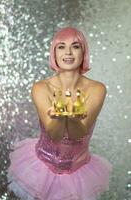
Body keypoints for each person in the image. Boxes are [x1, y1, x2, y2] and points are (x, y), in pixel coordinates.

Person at [7, 27, 112, 200]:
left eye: (75, 46)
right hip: (42, 168)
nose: (68, 52)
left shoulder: (97, 89)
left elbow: (79, 132)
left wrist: (73, 120)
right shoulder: (41, 88)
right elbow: (54, 134)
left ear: (83, 51)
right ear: (54, 53)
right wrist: (58, 119)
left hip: (79, 170)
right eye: (61, 46)